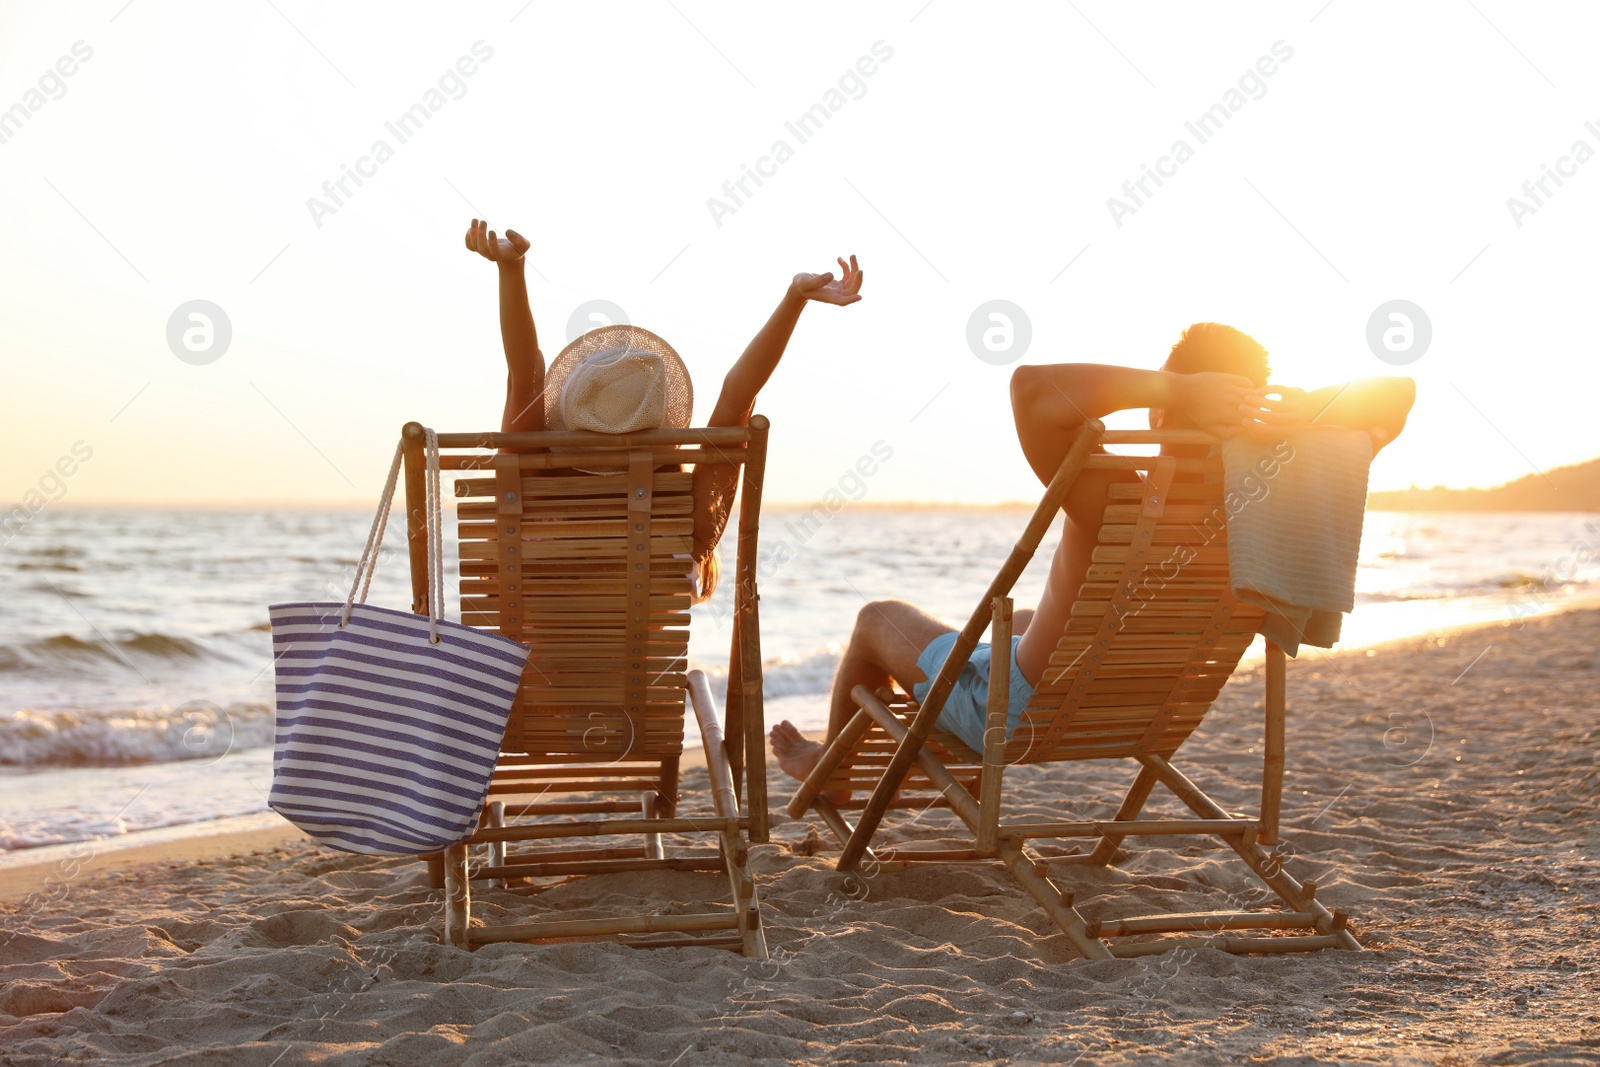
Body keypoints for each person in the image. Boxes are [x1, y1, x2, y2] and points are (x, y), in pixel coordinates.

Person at [771, 322, 1416, 790]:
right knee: (1019, 621)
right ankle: (903, 752)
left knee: (875, 618)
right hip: (1151, 714)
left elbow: (1030, 390)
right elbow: (1399, 393)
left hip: (1021, 716)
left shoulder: (1120, 503)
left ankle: (829, 770)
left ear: (1174, 407)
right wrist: (1300, 409)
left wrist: (1174, 388)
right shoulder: (1275, 514)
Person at [464, 219, 862, 602]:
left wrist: (511, 269)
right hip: (644, 675)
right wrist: (795, 300)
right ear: (657, 421)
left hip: (528, 674)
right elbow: (737, 400)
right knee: (696, 678)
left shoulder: (526, 491)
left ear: (570, 410)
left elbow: (525, 375)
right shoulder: (689, 521)